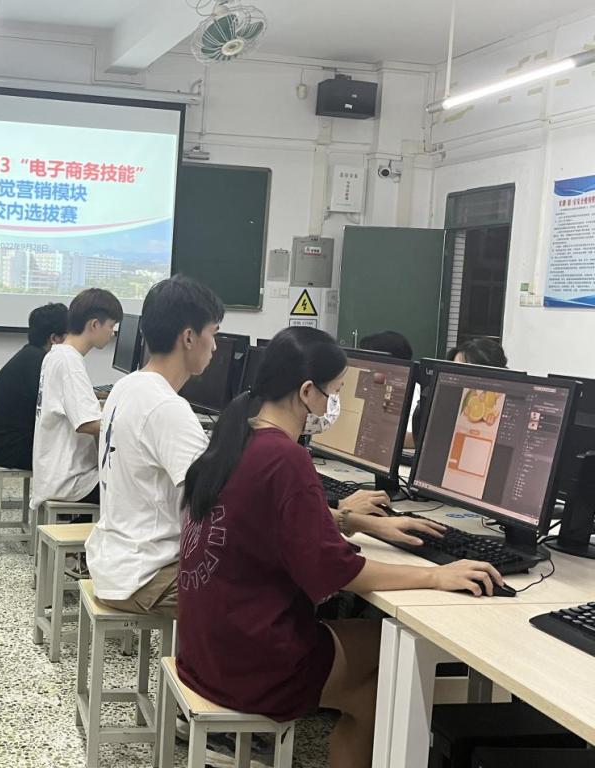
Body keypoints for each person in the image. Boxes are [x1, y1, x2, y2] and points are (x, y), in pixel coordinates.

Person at [176, 327, 503, 768]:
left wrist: (358, 521)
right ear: (307, 392)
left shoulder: (238, 438)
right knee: (395, 660)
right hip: (252, 660)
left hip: (208, 646)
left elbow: (273, 519)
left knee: (374, 693)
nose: (336, 406)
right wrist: (436, 575)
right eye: (335, 393)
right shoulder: (287, 458)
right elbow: (337, 571)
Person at [85, 276, 222, 618]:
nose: (216, 347)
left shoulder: (127, 386)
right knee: (269, 589)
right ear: (189, 337)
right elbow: (213, 502)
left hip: (112, 561)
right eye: (214, 333)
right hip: (147, 576)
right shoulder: (167, 407)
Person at [31, 288, 121, 512]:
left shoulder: (57, 354)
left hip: (55, 473)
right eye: (111, 326)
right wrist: (131, 425)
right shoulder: (69, 362)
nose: (112, 333)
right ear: (94, 325)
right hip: (71, 480)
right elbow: (87, 423)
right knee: (140, 488)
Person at [0, 303, 68, 471]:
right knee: (83, 455)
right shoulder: (41, 363)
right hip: (11, 451)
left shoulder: (30, 355)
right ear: (54, 339)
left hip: (1, 445)